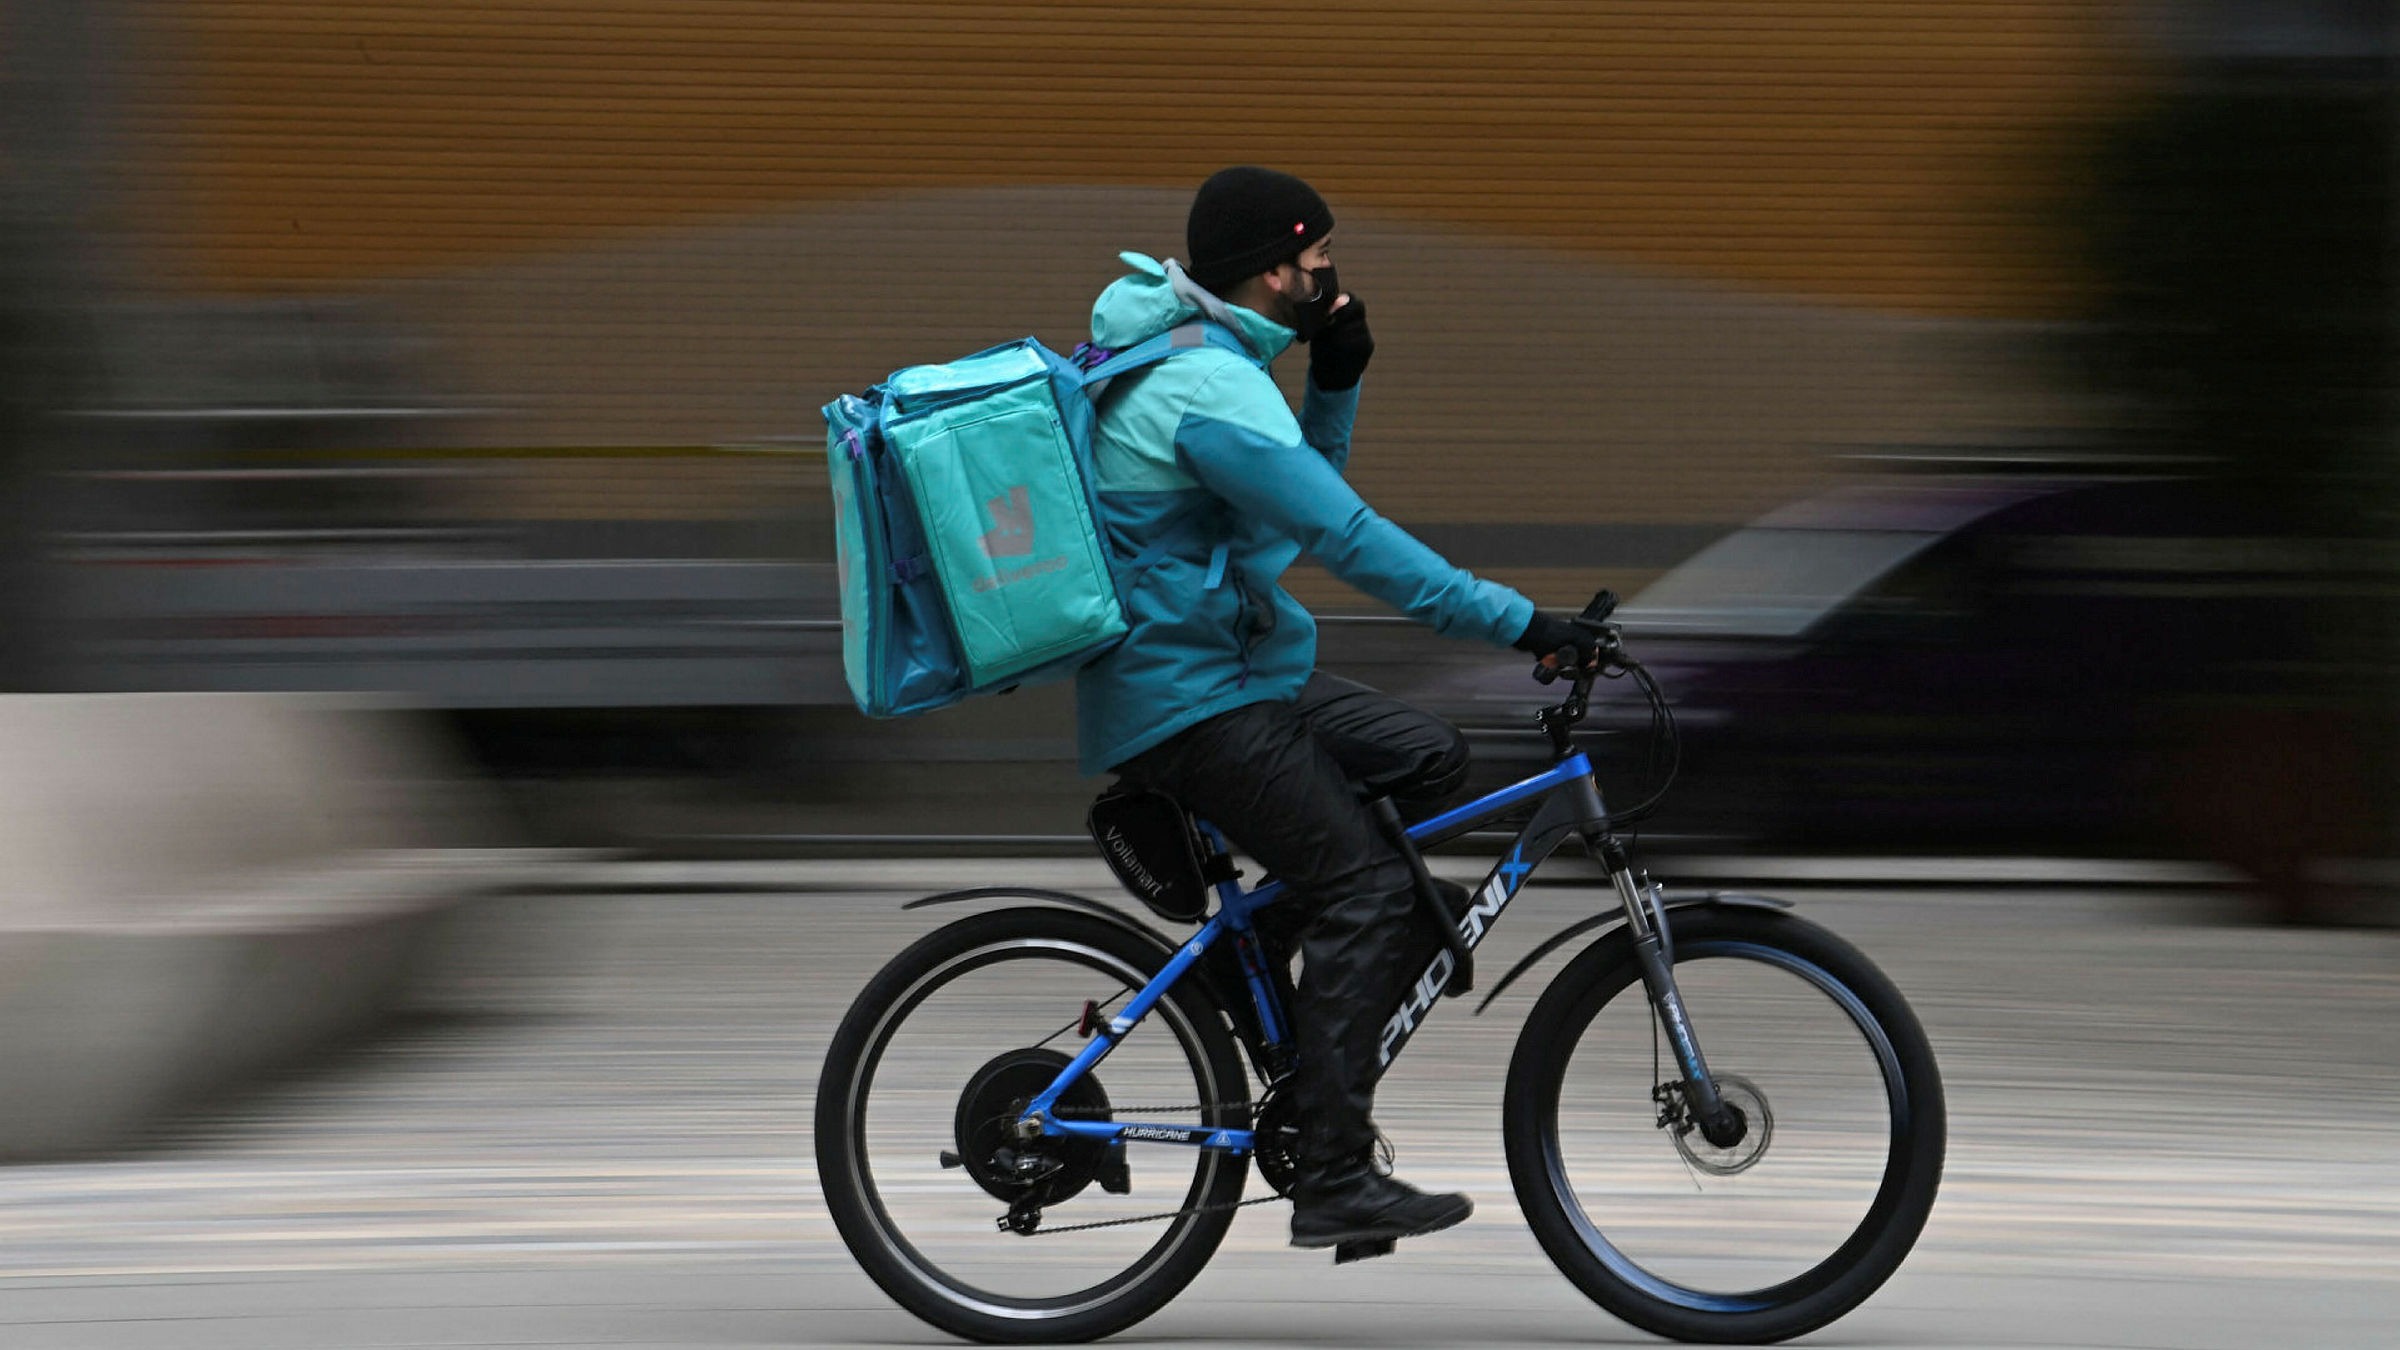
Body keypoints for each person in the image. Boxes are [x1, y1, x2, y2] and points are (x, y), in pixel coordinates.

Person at [1075, 166, 1602, 1252]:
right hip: (1191, 699)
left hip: (1230, 672)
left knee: (1429, 758)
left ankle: (1245, 954)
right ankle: (1335, 1173)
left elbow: (1281, 516)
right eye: (1319, 263)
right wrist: (1524, 624)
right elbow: (1345, 537)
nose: (1331, 279)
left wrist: (1338, 383)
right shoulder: (1203, 392)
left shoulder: (1209, 363)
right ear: (1273, 269)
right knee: (1371, 888)